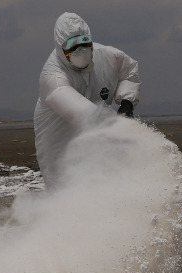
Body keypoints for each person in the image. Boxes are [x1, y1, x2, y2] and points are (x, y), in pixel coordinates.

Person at [34, 12, 140, 188]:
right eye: (73, 46)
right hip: (59, 144)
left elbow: (129, 72)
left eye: (84, 42)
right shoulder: (53, 77)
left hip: (99, 139)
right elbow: (85, 114)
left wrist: (127, 102)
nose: (81, 50)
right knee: (66, 194)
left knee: (108, 184)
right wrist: (120, 127)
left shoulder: (107, 56)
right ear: (61, 48)